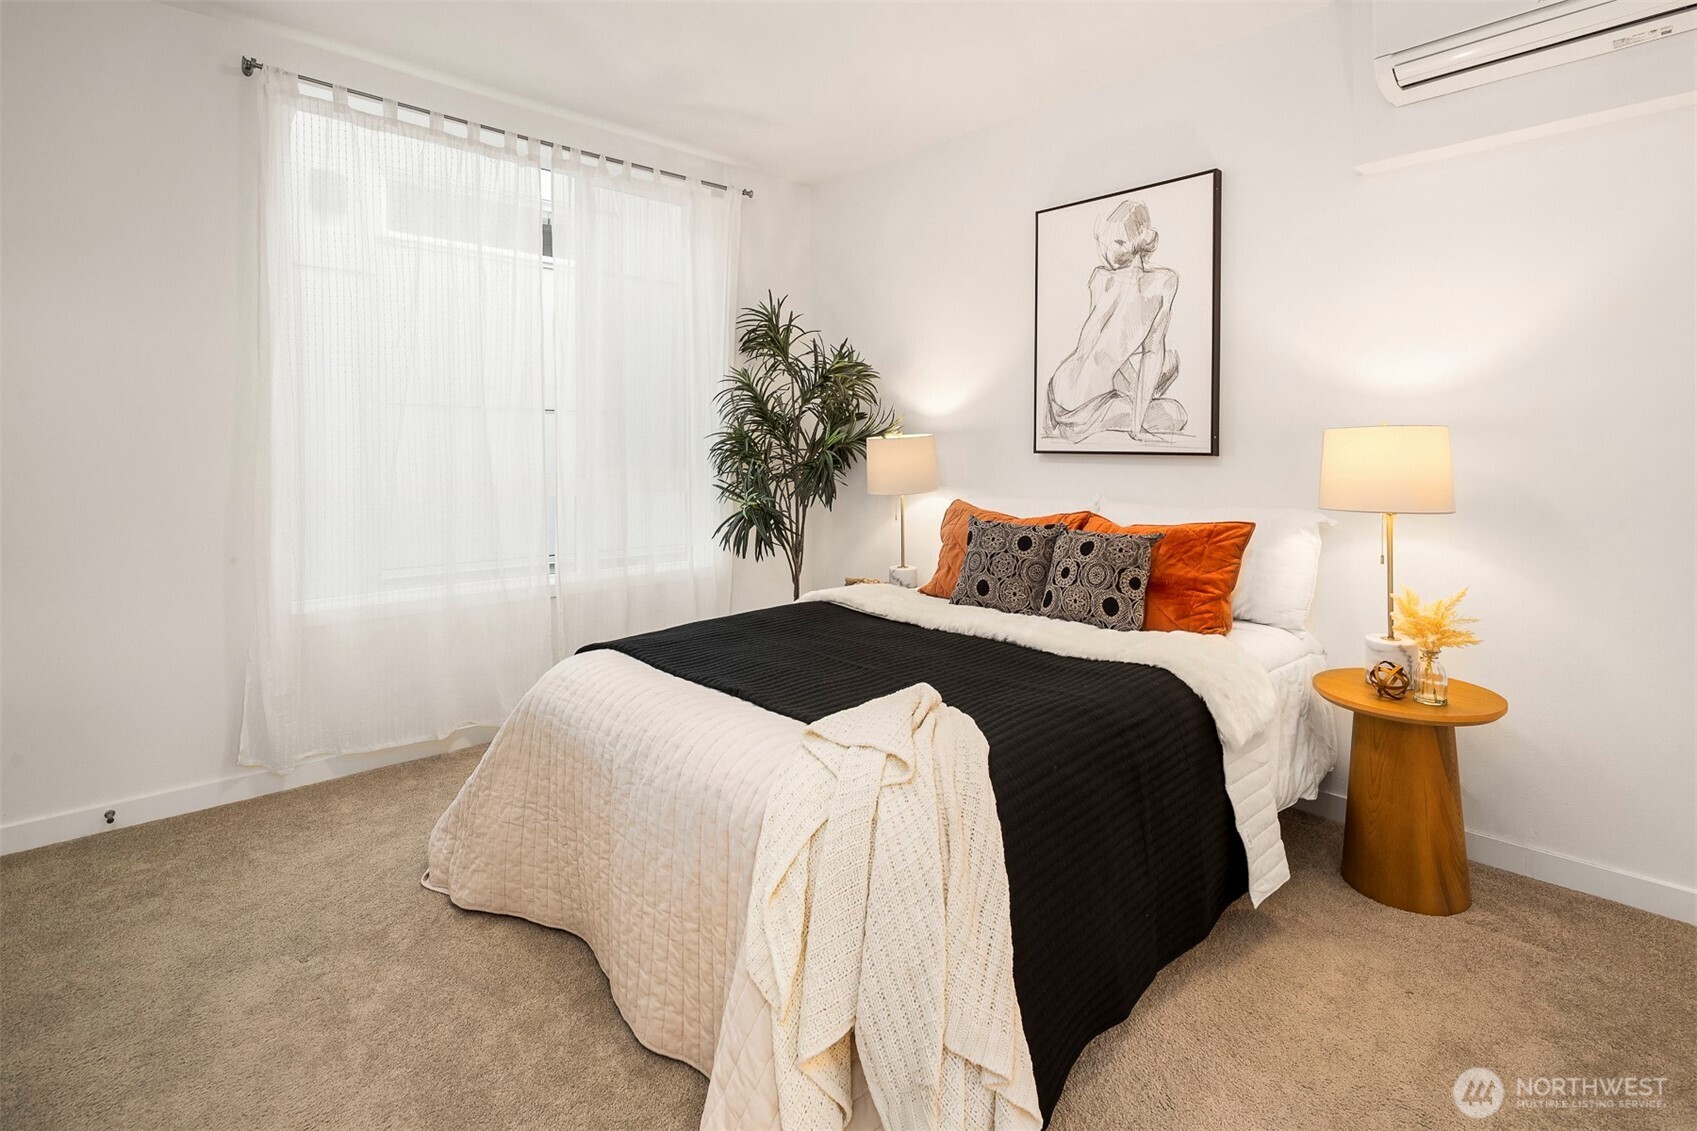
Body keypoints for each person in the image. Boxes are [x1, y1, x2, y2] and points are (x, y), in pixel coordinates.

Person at [1043, 199, 1187, 443]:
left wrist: (1136, 394)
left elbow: (1105, 350)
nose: (1107, 251)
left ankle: (1148, 392)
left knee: (1140, 374)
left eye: (1117, 242)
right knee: (1177, 414)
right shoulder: (1164, 283)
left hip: (1056, 390)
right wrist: (1137, 426)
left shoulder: (1100, 278)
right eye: (1104, 243)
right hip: (1086, 409)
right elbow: (1152, 353)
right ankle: (1151, 392)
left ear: (1140, 239)